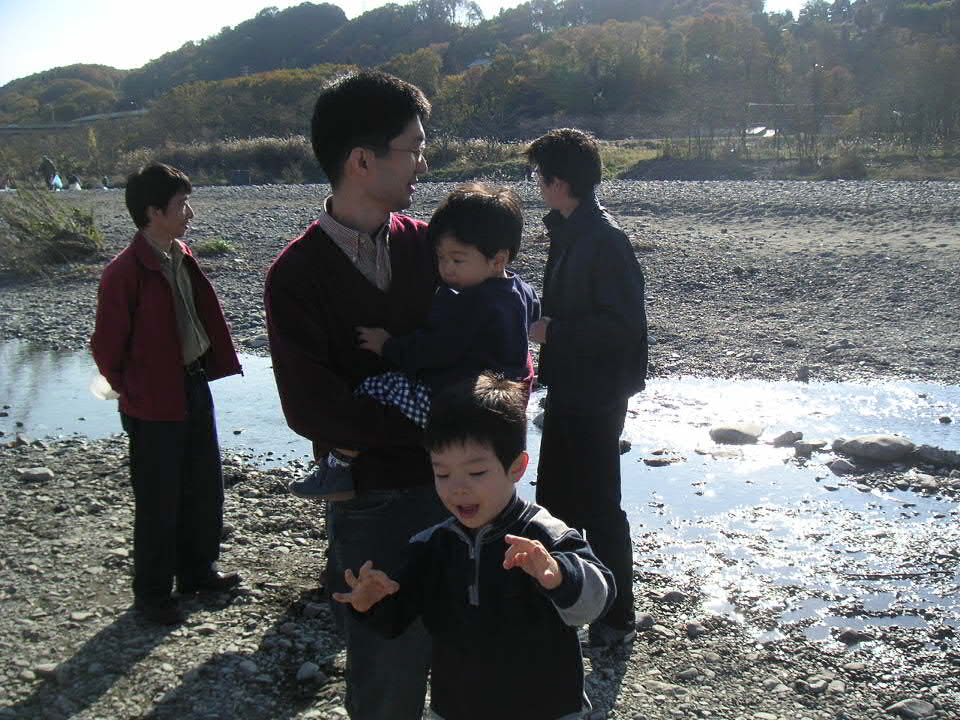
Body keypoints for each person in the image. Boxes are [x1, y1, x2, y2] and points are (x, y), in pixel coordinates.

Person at [264, 70, 448, 720]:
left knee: (470, 667)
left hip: (463, 490)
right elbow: (313, 409)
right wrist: (441, 420)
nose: (424, 162)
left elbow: (496, 347)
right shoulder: (296, 275)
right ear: (362, 161)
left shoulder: (434, 248)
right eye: (413, 148)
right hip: (372, 503)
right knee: (386, 675)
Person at [333, 373, 614, 720]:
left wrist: (558, 575)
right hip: (456, 708)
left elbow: (596, 603)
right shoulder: (431, 546)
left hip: (548, 709)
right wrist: (370, 605)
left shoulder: (543, 536)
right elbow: (396, 622)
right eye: (442, 474)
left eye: (476, 473)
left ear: (516, 468)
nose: (458, 488)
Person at [289, 183, 540, 501]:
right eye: (441, 258)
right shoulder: (521, 291)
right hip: (494, 403)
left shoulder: (468, 304)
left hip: (451, 399)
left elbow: (435, 349)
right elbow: (533, 318)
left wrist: (388, 346)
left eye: (457, 260)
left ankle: (338, 467)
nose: (446, 269)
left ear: (498, 259)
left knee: (374, 389)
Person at [90, 163, 243, 625]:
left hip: (192, 385)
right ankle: (153, 594)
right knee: (159, 499)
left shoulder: (179, 254)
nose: (189, 213)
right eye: (181, 205)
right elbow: (107, 349)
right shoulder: (124, 272)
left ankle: (199, 571)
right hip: (154, 400)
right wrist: (135, 392)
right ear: (154, 212)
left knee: (204, 485)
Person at [525, 128, 649, 649]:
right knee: (556, 498)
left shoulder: (603, 238)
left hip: (597, 391)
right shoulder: (572, 229)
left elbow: (624, 328)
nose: (536, 184)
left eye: (538, 175)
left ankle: (617, 617)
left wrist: (553, 332)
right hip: (572, 385)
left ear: (559, 182)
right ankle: (567, 601)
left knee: (598, 504)